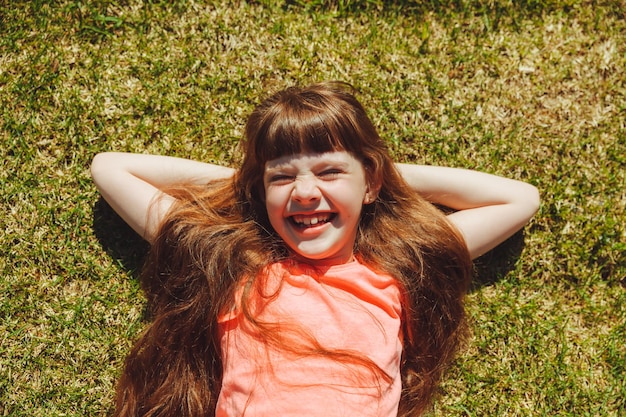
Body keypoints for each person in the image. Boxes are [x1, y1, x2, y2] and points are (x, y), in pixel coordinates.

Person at [91, 81, 540, 417]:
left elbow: (518, 199)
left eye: (329, 173)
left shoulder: (394, 272)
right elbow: (111, 169)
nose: (304, 192)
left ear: (371, 184)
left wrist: (372, 173)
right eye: (282, 177)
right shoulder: (239, 269)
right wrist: (247, 184)